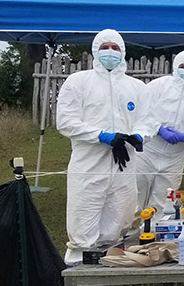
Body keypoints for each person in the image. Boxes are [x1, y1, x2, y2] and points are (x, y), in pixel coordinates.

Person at [56, 28, 150, 264]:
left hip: (124, 165)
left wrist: (140, 135)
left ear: (123, 52)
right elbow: (66, 121)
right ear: (95, 52)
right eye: (105, 48)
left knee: (118, 222)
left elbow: (149, 119)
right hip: (88, 164)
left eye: (115, 48)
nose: (110, 52)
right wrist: (101, 136)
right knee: (82, 226)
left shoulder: (136, 88)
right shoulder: (79, 82)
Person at [134, 50, 184, 215]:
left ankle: (154, 237)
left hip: (174, 157)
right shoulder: (158, 86)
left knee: (164, 201)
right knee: (135, 195)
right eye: (182, 66)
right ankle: (129, 235)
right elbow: (142, 112)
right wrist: (159, 130)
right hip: (147, 151)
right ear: (175, 68)